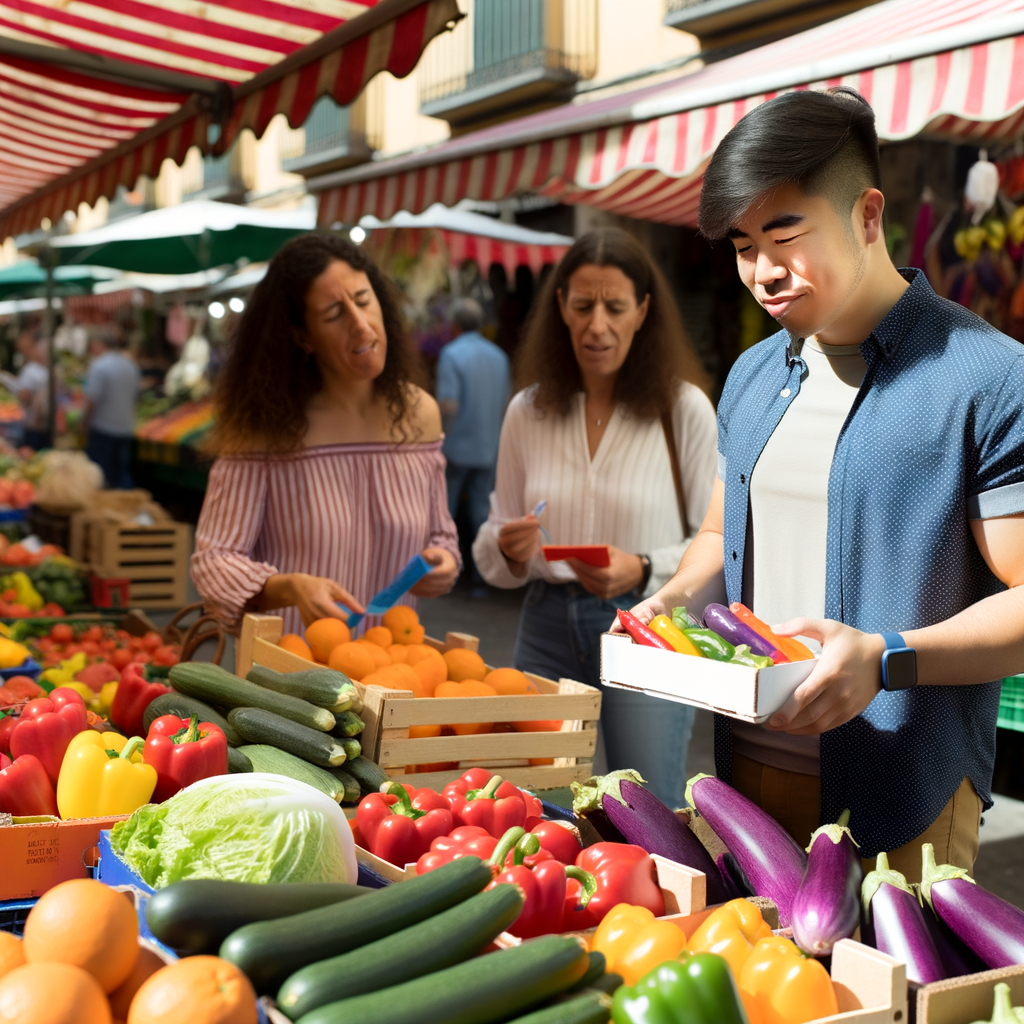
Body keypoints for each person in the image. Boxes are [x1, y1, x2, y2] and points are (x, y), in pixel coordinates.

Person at [628, 88, 1024, 880]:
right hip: (742, 771)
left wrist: (884, 660)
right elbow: (718, 533)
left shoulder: (987, 378)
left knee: (890, 1002)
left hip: (904, 787)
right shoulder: (749, 376)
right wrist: (664, 606)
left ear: (868, 215)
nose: (762, 272)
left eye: (784, 234)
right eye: (742, 245)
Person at [473, 229, 719, 808]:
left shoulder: (682, 409)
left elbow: (717, 546)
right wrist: (508, 548)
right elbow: (490, 543)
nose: (597, 325)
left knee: (646, 806)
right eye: (582, 307)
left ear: (643, 312)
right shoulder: (527, 411)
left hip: (649, 635)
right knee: (535, 800)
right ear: (561, 308)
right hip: (544, 627)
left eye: (614, 307)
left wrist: (640, 568)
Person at [192, 233, 461, 636]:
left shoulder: (420, 414)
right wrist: (286, 587)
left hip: (396, 677)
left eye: (364, 300)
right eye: (334, 314)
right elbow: (214, 560)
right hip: (289, 684)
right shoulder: (264, 430)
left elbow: (441, 532)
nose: (360, 324)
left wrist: (444, 559)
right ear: (302, 336)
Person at [436, 297, 510, 594]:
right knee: (481, 513)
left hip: (457, 447)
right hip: (489, 446)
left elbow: (448, 404)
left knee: (446, 512)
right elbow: (506, 403)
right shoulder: (499, 356)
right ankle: (482, 578)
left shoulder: (451, 354)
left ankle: (445, 573)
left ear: (455, 325)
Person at [84, 325, 140, 489]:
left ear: (99, 344)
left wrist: (84, 423)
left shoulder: (99, 366)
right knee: (121, 474)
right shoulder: (131, 365)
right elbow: (136, 396)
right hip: (126, 428)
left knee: (101, 478)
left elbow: (92, 399)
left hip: (103, 429)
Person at [14, 331, 49, 451]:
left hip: (33, 423)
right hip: (44, 423)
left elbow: (24, 395)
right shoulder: (47, 371)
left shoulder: (30, 370)